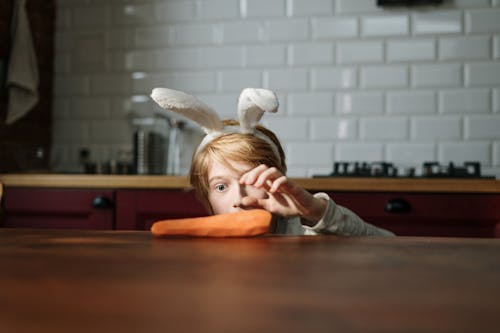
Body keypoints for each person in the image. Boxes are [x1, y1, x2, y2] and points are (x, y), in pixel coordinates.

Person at [151, 87, 394, 237]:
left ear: (276, 179)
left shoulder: (304, 232)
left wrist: (316, 211)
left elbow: (388, 245)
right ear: (206, 198)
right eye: (221, 187)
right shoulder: (203, 245)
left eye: (250, 179)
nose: (239, 199)